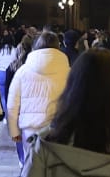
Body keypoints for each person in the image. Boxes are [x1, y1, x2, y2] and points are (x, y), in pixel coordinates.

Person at [6, 30, 71, 163]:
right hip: (59, 129)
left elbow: (12, 105)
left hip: (30, 129)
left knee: (31, 168)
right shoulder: (69, 72)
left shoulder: (23, 71)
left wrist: (14, 132)